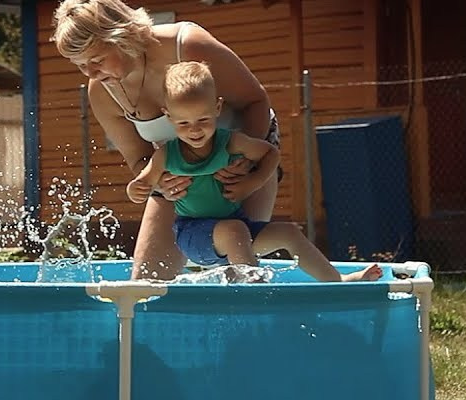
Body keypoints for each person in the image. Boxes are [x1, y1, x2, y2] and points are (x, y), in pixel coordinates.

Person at [51, 0, 279, 280]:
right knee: (146, 283)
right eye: (80, 65)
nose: (91, 74)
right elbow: (139, 159)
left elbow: (255, 101)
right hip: (181, 168)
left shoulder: (187, 46)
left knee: (239, 270)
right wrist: (162, 183)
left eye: (96, 60)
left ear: (120, 36)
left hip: (241, 160)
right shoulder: (103, 94)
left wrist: (247, 166)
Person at [127, 61, 381, 282]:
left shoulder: (230, 142)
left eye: (203, 120)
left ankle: (338, 279)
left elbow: (271, 153)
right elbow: (143, 183)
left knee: (289, 233)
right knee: (235, 230)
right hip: (193, 234)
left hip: (239, 232)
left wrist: (252, 182)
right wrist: (136, 189)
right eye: (184, 123)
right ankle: (253, 293)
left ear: (217, 108)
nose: (195, 130)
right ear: (168, 117)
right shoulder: (166, 155)